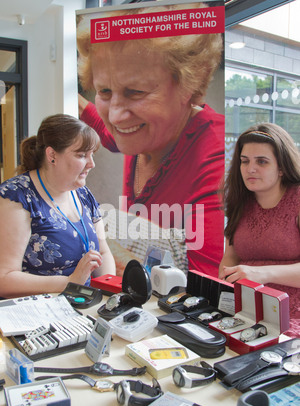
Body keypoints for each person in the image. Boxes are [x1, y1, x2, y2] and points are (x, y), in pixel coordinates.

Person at [76, 2, 225, 277]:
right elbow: (110, 135)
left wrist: (97, 242)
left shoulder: (213, 151)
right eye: (105, 91)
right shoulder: (142, 133)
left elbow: (205, 278)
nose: (117, 117)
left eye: (136, 92)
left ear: (190, 85)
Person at [0, 114, 116, 298]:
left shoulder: (84, 194)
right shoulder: (17, 196)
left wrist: (109, 293)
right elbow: (4, 279)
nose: (92, 164)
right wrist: (69, 282)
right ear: (52, 155)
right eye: (81, 155)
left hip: (83, 305)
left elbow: (103, 251)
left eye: (92, 154)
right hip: (38, 312)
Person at [219, 123, 300, 338]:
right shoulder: (240, 201)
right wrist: (223, 283)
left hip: (293, 317)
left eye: (261, 162)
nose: (250, 169)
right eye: (244, 161)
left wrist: (262, 273)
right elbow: (231, 255)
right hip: (245, 311)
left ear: (282, 167)